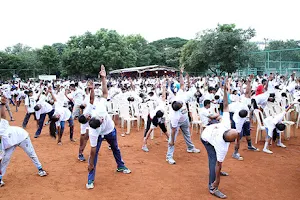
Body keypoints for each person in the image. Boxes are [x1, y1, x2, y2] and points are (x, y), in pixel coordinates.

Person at [86, 65, 131, 190]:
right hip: (101, 135)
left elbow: (105, 92)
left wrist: (103, 78)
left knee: (115, 148)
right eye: (101, 120)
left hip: (110, 131)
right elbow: (93, 150)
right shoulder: (93, 132)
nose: (102, 119)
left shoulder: (99, 108)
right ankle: (90, 178)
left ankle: (120, 166)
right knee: (94, 156)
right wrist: (90, 164)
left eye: (101, 119)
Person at [201, 78, 240, 199]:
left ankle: (216, 175)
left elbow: (226, 106)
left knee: (217, 163)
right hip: (206, 138)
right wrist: (217, 179)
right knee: (214, 162)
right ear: (231, 142)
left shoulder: (226, 125)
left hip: (211, 131)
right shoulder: (222, 147)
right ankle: (213, 187)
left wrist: (225, 91)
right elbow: (219, 164)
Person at [0, 97, 47, 187]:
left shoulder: (1, 127)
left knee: (31, 153)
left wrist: (2, 104)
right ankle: (0, 178)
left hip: (21, 136)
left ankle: (40, 169)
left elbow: (3, 116)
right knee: (6, 159)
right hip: (11, 143)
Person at [166, 66, 200, 165]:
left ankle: (190, 148)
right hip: (178, 122)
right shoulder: (174, 116)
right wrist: (171, 140)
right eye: (181, 107)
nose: (182, 106)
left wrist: (181, 73)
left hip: (185, 120)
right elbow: (172, 130)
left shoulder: (180, 97)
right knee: (173, 139)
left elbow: (181, 84)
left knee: (187, 134)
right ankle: (169, 157)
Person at [230, 75, 259, 161]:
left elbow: (247, 92)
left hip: (244, 120)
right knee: (238, 137)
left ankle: (250, 146)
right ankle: (235, 153)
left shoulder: (244, 103)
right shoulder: (238, 120)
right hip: (236, 120)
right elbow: (238, 137)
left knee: (248, 132)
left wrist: (249, 81)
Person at [142, 79, 169, 152]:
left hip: (160, 116)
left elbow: (164, 96)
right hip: (151, 117)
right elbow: (150, 130)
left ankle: (169, 139)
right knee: (148, 129)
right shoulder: (154, 117)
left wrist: (164, 86)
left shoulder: (161, 104)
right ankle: (144, 144)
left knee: (163, 128)